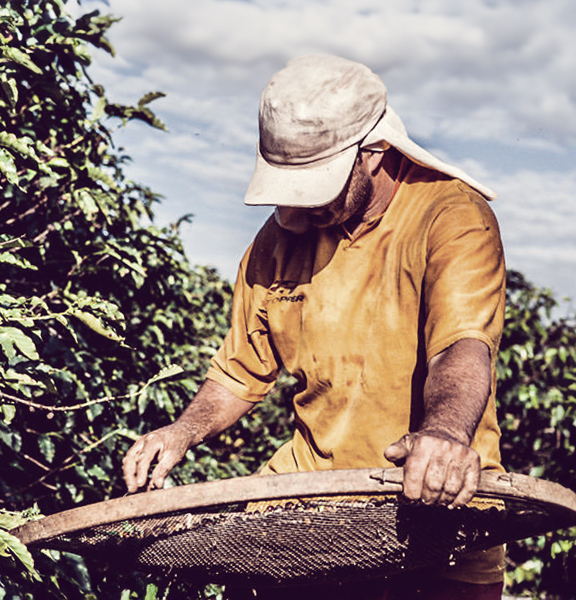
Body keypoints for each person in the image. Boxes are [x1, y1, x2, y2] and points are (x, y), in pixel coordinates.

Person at [122, 55, 507, 599]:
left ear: (372, 153)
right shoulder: (279, 239)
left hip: (431, 497)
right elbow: (239, 373)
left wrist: (443, 436)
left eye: (313, 187)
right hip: (309, 499)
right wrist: (181, 431)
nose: (295, 214)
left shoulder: (451, 216)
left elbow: (462, 347)